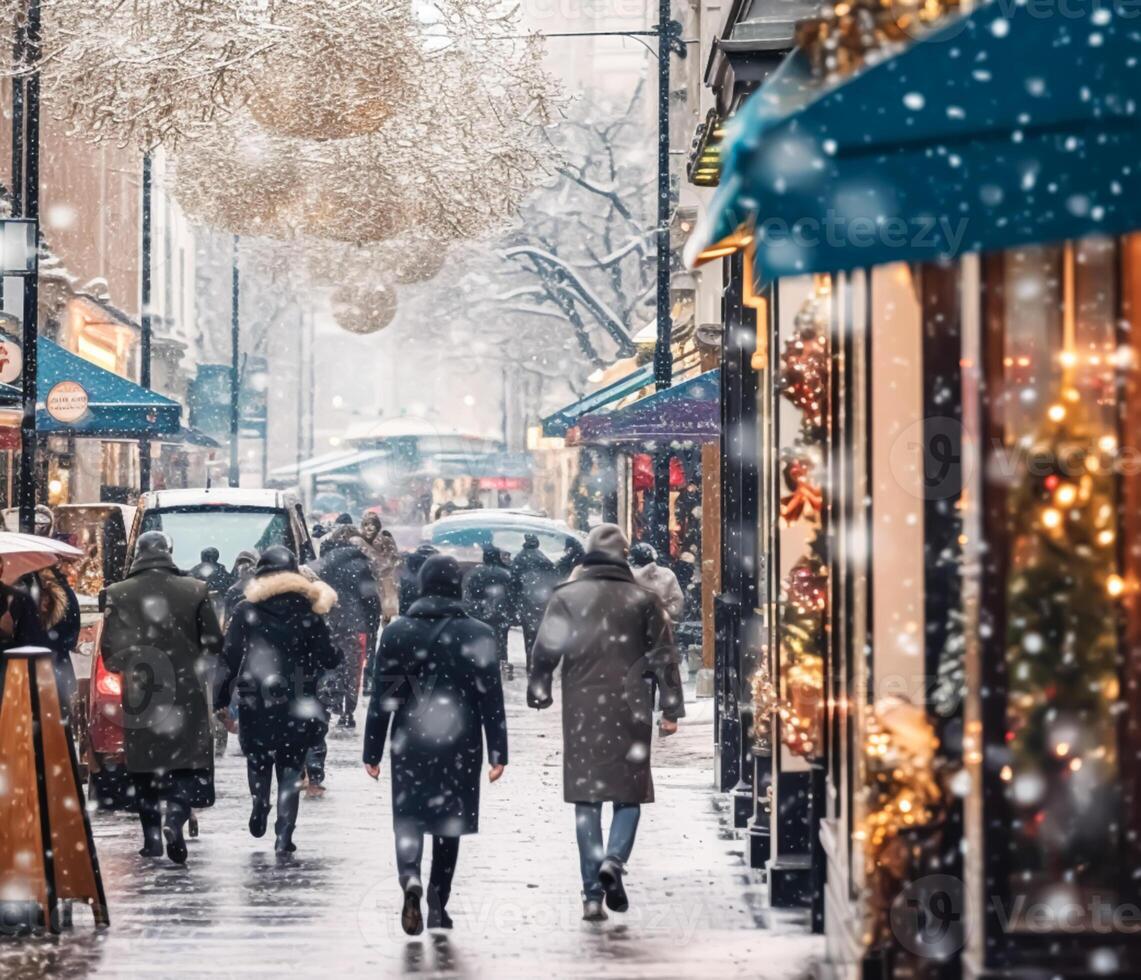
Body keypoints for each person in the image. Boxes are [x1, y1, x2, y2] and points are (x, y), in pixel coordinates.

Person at [528, 523, 685, 922]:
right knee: (629, 795)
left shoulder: (567, 596)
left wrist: (540, 687)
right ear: (623, 556)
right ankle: (614, 860)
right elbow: (664, 656)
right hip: (631, 704)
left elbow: (546, 648)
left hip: (582, 706)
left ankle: (592, 895)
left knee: (587, 799)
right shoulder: (644, 599)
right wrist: (670, 708)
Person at [364, 555, 508, 935]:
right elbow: (489, 697)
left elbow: (385, 697)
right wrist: (498, 752)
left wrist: (372, 751)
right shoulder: (478, 633)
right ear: (456, 586)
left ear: (423, 586)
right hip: (460, 740)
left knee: (409, 816)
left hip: (410, 738)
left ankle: (409, 877)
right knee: (448, 823)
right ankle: (437, 903)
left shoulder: (397, 633)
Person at [101, 532, 224, 864]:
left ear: (137, 554)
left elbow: (110, 654)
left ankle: (152, 840)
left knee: (145, 768)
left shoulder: (117, 593)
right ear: (168, 553)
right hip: (186, 690)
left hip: (142, 692)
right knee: (185, 765)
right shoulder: (195, 590)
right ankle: (175, 817)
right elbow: (214, 642)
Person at [216, 546, 339, 855]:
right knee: (291, 763)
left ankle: (260, 804)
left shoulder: (246, 610)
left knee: (257, 756)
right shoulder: (310, 610)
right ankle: (285, 832)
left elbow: (229, 656)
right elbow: (328, 656)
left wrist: (219, 697)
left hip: (256, 695)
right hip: (298, 696)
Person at [314, 532, 381, 728]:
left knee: (331, 665)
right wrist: (372, 626)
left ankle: (330, 702)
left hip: (329, 622)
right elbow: (371, 600)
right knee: (353, 668)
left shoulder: (323, 567)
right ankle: (347, 712)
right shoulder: (361, 567)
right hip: (355, 625)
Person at [462, 543, 515, 679]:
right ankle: (499, 666)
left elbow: (468, 595)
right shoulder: (505, 574)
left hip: (478, 614)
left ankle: (479, 667)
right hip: (499, 614)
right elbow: (511, 595)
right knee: (501, 641)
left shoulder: (474, 573)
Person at [509, 533, 557, 675]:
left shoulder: (519, 558)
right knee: (540, 634)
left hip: (526, 601)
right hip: (541, 600)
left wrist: (515, 600)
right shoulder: (543, 558)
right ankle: (539, 664)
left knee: (528, 634)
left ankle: (530, 663)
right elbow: (553, 576)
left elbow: (514, 582)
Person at [629, 543, 686, 623]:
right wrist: (665, 613)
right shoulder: (667, 574)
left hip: (634, 624)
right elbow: (677, 604)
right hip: (662, 624)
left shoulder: (626, 575)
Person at [397, 543, 439, 614]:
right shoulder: (437, 571)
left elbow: (402, 599)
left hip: (409, 612)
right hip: (433, 611)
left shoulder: (407, 574)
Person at [224, 549, 259, 622]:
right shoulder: (232, 591)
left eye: (247, 565)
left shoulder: (262, 587)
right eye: (241, 564)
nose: (244, 568)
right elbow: (226, 615)